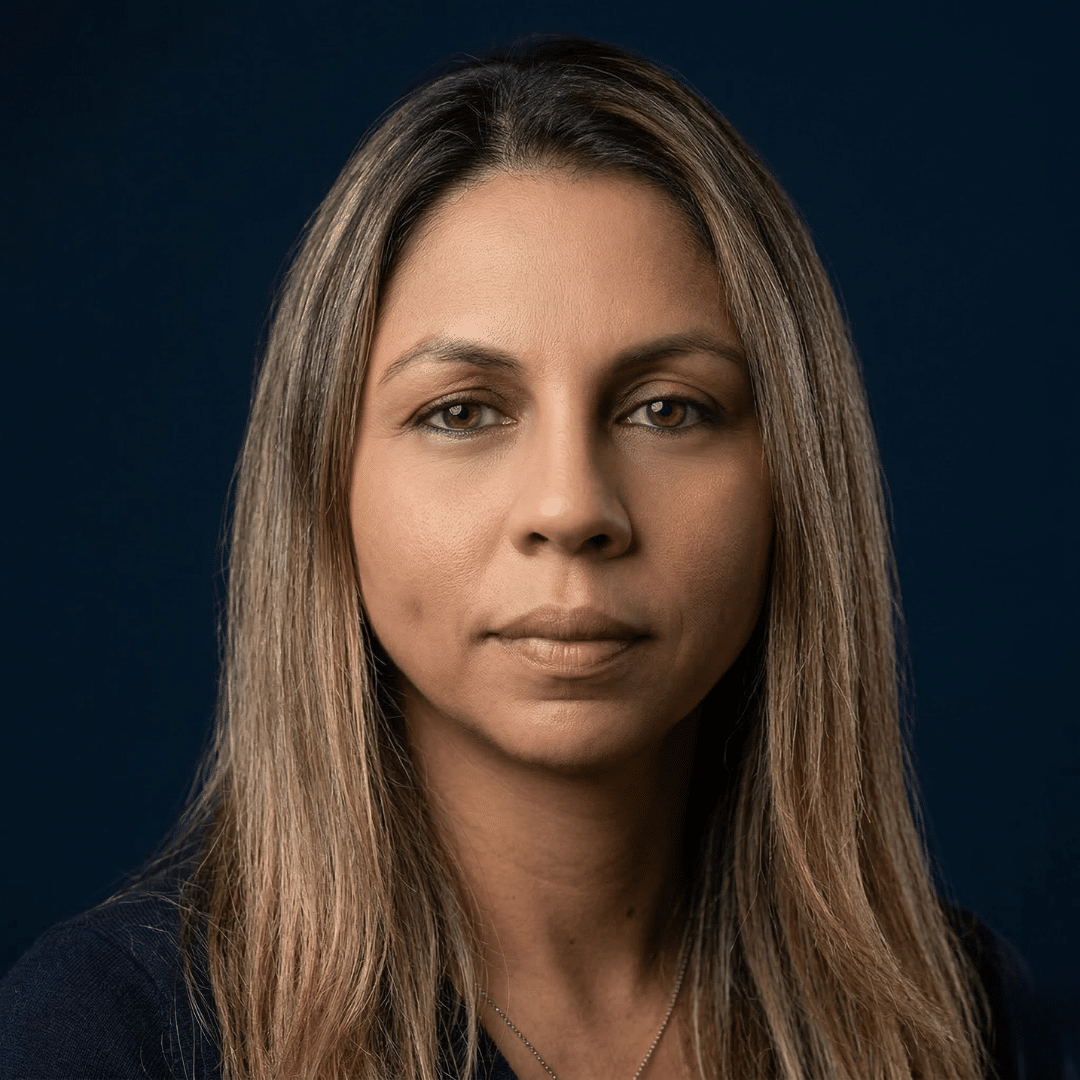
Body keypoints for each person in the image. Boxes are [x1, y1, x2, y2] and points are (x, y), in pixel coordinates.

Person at [0, 35, 1070, 1080]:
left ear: (795, 473)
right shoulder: (109, 1036)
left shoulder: (961, 1013)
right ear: (326, 484)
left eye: (667, 408)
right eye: (462, 410)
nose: (571, 507)